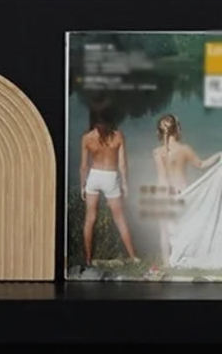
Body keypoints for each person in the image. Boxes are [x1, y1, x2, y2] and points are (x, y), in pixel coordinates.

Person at [153, 114, 222, 268]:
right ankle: (189, 254)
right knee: (186, 227)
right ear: (177, 129)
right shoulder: (184, 149)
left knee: (164, 231)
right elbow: (201, 165)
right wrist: (219, 155)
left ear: (160, 132)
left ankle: (166, 262)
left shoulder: (157, 152)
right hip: (184, 194)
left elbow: (162, 178)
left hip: (165, 194)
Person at [80, 107, 138, 266]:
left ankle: (88, 259)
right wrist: (125, 183)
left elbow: (84, 166)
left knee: (90, 219)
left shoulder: (87, 138)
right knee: (120, 219)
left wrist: (83, 185)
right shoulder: (118, 136)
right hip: (111, 176)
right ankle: (134, 257)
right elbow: (122, 164)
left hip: (94, 175)